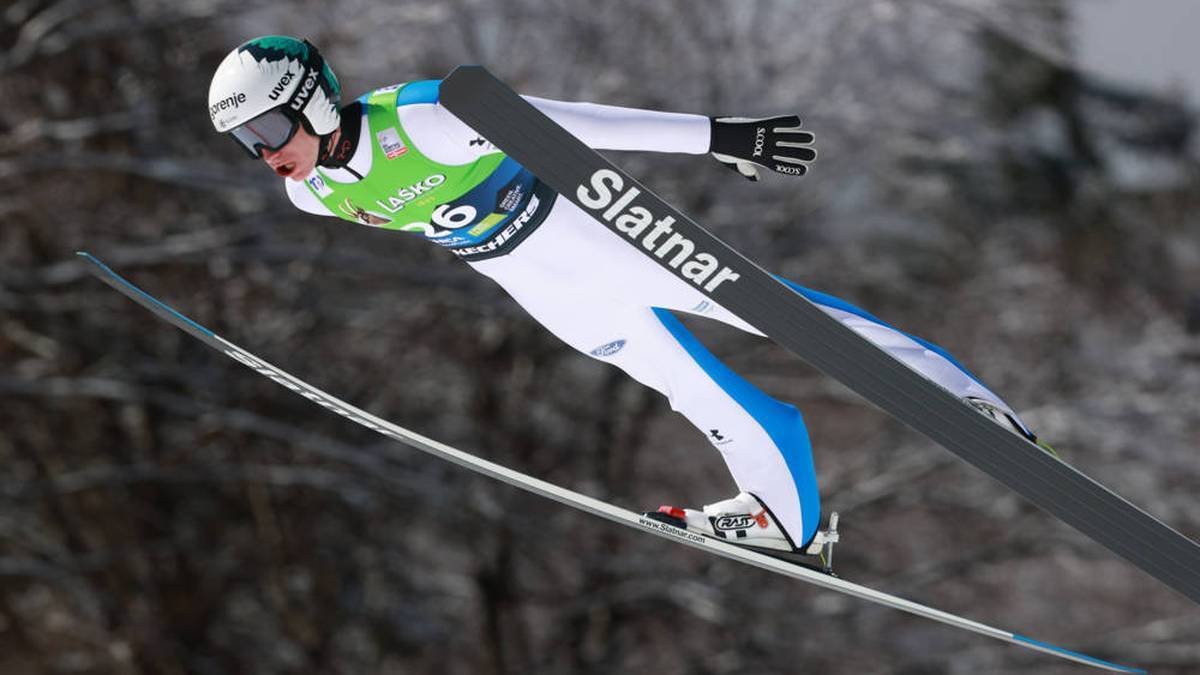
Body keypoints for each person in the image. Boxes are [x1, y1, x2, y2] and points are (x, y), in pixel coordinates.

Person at [208, 36, 1048, 563]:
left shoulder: (424, 118)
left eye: (270, 132)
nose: (267, 155)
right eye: (250, 144)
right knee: (690, 389)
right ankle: (784, 515)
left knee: (776, 312)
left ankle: (961, 399)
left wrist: (720, 136)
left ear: (312, 98)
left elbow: (573, 124)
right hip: (542, 287)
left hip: (598, 235)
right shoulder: (313, 195)